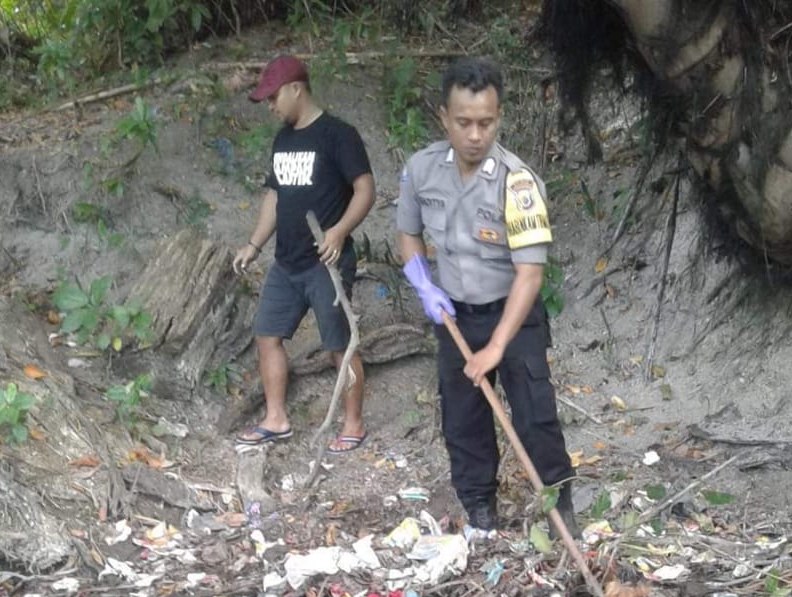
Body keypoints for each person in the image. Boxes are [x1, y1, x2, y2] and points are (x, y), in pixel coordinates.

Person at [396, 56, 577, 534]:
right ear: (444, 118)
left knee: (535, 416)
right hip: (454, 315)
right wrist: (423, 284)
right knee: (464, 420)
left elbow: (530, 275)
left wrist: (495, 345)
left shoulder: (517, 183)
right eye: (464, 123)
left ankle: (560, 506)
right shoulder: (421, 171)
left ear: (499, 118)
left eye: (486, 123)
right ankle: (479, 508)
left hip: (513, 318)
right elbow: (408, 234)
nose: (475, 134)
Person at [233, 54, 375, 453]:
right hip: (286, 261)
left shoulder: (337, 135)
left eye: (274, 97)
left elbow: (366, 190)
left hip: (326, 264)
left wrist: (339, 231)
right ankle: (276, 420)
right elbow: (274, 196)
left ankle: (353, 424)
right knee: (266, 335)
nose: (271, 106)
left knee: (338, 344)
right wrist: (254, 244)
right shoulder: (283, 139)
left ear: (296, 88)